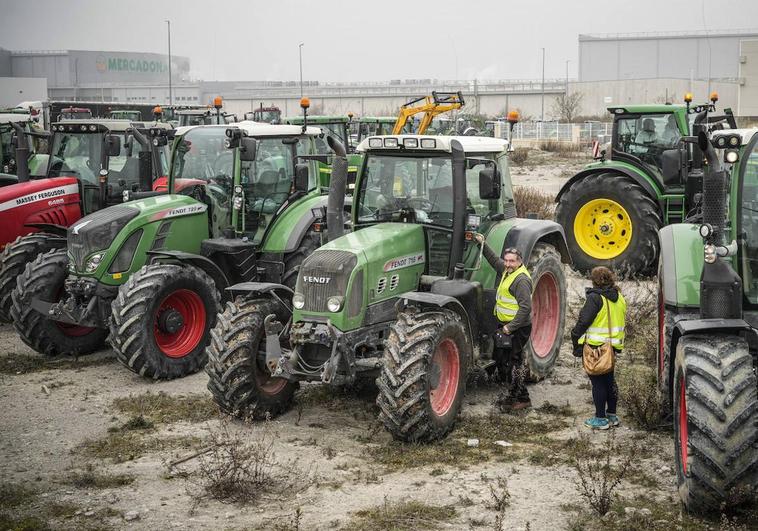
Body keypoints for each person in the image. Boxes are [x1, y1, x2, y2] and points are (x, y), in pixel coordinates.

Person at [474, 235, 533, 410]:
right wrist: (481, 244)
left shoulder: (521, 280)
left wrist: (509, 328)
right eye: (506, 260)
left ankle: (522, 398)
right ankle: (511, 393)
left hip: (518, 327)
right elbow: (494, 260)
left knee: (514, 362)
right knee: (504, 359)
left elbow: (525, 309)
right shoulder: (508, 271)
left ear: (520, 261)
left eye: (512, 261)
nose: (507, 264)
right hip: (506, 325)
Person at [571, 266, 627, 430]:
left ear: (593, 280)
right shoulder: (619, 297)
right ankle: (612, 415)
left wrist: (575, 337)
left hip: (596, 346)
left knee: (598, 383)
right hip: (613, 346)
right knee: (610, 381)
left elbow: (583, 321)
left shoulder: (595, 298)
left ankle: (600, 419)